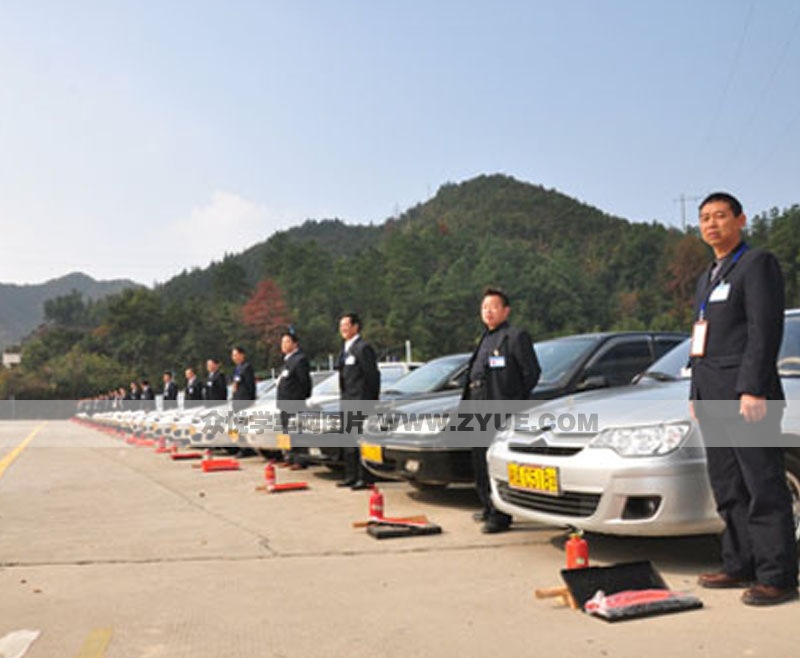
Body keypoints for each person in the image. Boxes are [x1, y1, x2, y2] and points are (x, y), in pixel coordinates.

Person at [690, 191, 798, 606]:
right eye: (704, 218)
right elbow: (701, 342)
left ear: (741, 220)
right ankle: (739, 564)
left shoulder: (757, 264)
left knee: (763, 484)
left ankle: (778, 576)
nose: (712, 224)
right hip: (712, 396)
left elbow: (763, 330)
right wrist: (695, 393)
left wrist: (752, 387)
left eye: (720, 216)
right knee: (728, 486)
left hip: (746, 395)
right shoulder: (708, 276)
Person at [462, 287, 541, 534]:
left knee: (495, 462)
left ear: (506, 311)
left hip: (499, 409)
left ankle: (500, 516)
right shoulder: (485, 338)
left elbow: (532, 373)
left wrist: (512, 399)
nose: (488, 312)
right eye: (485, 308)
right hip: (477, 408)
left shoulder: (515, 337)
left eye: (493, 307)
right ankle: (487, 506)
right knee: (479, 462)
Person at [337, 312, 380, 490]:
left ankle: (365, 478)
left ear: (356, 327)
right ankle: (350, 476)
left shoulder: (363, 348)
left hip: (361, 401)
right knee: (349, 442)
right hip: (347, 401)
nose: (343, 329)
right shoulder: (345, 350)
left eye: (346, 325)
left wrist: (371, 400)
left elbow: (372, 376)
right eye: (341, 326)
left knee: (361, 440)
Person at [276, 328, 313, 469]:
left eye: (287, 342)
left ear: (295, 344)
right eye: (282, 342)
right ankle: (289, 457)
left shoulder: (299, 360)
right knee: (286, 432)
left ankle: (300, 460)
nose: (284, 345)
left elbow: (305, 382)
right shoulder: (286, 361)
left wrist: (300, 398)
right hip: (284, 403)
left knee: (297, 432)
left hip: (294, 402)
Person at [231, 346, 256, 411]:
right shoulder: (236, 369)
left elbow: (250, 384)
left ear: (242, 355)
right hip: (237, 400)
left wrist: (252, 400)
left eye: (236, 355)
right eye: (233, 356)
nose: (234, 357)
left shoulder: (247, 367)